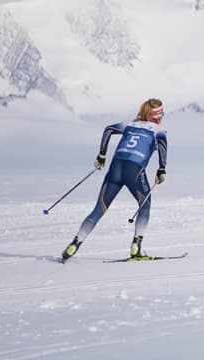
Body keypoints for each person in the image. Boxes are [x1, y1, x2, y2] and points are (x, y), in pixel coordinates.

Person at [61, 98, 168, 262]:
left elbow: (108, 129)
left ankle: (75, 243)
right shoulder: (159, 130)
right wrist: (161, 169)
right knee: (145, 205)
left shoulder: (130, 124)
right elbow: (162, 147)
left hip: (115, 168)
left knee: (99, 209)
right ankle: (136, 247)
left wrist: (101, 155)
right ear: (158, 116)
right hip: (134, 170)